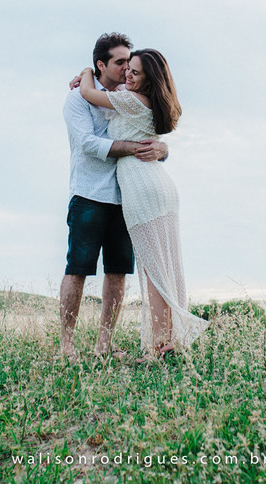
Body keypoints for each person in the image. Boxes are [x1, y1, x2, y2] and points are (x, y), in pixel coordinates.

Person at [79, 48, 208, 360]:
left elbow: (88, 93)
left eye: (135, 72)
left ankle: (159, 346)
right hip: (157, 185)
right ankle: (167, 340)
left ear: (149, 80)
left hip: (142, 187)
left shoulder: (132, 100)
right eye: (128, 69)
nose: (127, 74)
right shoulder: (145, 101)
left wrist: (86, 72)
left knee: (153, 269)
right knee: (164, 266)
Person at [60, 32, 167, 360]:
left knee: (118, 272)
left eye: (128, 62)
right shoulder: (78, 98)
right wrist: (136, 149)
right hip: (90, 193)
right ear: (101, 64)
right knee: (77, 269)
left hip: (126, 197)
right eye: (120, 62)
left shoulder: (130, 95)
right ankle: (66, 346)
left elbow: (151, 134)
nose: (126, 68)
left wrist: (162, 149)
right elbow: (87, 144)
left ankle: (104, 345)